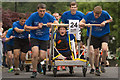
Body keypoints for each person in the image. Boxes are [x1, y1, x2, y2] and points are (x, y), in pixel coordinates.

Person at [24, 3, 58, 78]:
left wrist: (51, 24)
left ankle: (37, 63)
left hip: (44, 37)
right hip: (34, 37)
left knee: (42, 57)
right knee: (35, 54)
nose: (42, 13)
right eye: (40, 11)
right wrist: (37, 27)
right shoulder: (33, 16)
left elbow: (56, 22)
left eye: (43, 11)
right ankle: (34, 71)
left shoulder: (48, 16)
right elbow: (26, 27)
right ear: (37, 10)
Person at [80, 6, 113, 76]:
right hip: (93, 35)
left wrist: (105, 22)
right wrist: (84, 24)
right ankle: (96, 68)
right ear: (93, 12)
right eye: (95, 15)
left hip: (104, 33)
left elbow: (111, 19)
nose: (96, 16)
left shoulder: (105, 13)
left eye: (98, 15)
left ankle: (103, 63)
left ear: (101, 13)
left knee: (104, 49)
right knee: (96, 53)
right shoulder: (89, 15)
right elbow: (81, 22)